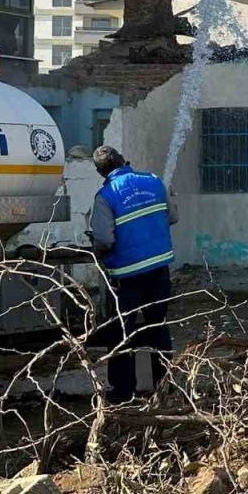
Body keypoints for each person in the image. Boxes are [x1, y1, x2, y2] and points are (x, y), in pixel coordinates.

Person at [90, 146, 177, 403]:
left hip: (127, 275)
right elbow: (173, 216)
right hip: (159, 269)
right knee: (157, 325)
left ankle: (123, 392)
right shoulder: (154, 181)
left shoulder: (105, 196)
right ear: (124, 161)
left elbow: (104, 239)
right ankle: (164, 386)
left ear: (100, 172)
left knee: (122, 331)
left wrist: (97, 250)